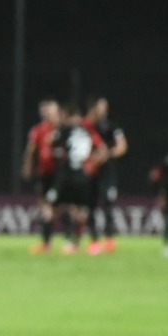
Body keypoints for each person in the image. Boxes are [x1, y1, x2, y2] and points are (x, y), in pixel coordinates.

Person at [47, 104, 107, 255]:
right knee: (83, 210)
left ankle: (69, 241)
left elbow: (51, 144)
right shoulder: (88, 130)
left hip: (69, 175)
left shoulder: (64, 130)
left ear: (66, 116)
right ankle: (88, 242)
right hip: (85, 175)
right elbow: (103, 150)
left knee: (62, 207)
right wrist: (91, 164)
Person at [82, 96, 127, 254]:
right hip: (89, 172)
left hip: (107, 172)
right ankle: (93, 240)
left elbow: (122, 146)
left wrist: (108, 154)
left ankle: (109, 240)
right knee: (90, 206)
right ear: (93, 108)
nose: (104, 110)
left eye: (105, 107)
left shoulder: (111, 127)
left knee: (108, 204)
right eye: (101, 106)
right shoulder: (85, 127)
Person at [22, 97, 61, 253]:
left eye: (49, 109)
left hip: (62, 173)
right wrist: (27, 166)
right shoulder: (38, 130)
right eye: (43, 110)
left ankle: (72, 241)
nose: (45, 113)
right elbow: (31, 149)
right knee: (45, 207)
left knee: (67, 207)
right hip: (45, 174)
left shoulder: (63, 128)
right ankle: (46, 243)